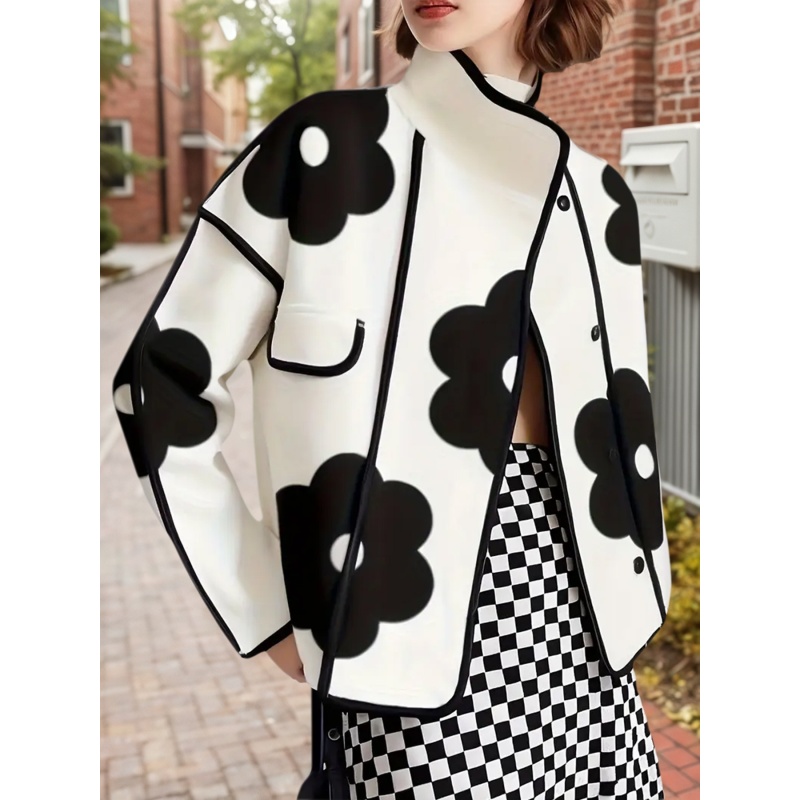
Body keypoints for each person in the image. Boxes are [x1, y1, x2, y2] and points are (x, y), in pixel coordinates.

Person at [112, 0, 670, 797]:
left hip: (589, 620)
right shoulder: (323, 148)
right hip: (403, 620)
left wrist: (639, 586)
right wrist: (264, 607)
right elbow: (159, 383)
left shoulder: (603, 199)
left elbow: (616, 430)